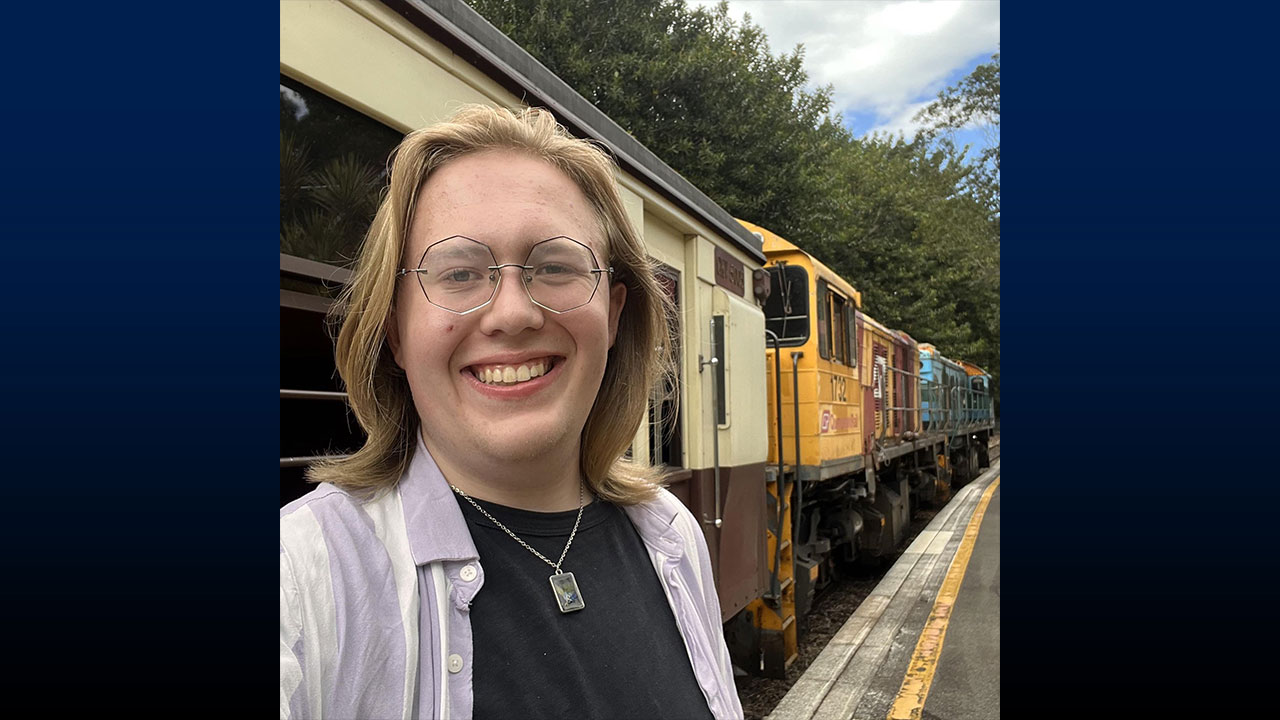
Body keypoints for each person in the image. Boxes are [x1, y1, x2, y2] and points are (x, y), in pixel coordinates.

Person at [280, 105, 744, 720]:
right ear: (396, 330)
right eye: (460, 273)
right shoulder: (300, 577)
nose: (512, 313)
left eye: (554, 267)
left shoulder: (672, 536)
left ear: (612, 312)